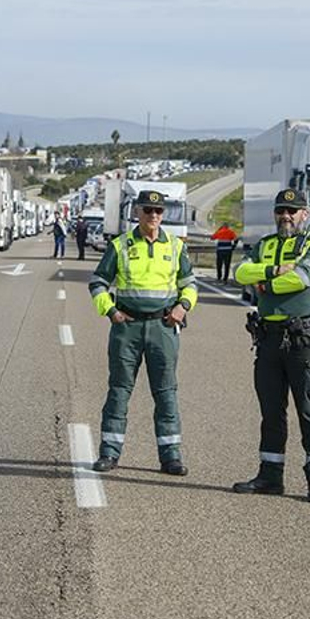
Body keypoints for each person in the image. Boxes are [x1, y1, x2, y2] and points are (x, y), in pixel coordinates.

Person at [231, 189, 310, 504]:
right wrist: (273, 271)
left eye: (293, 210)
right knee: (271, 410)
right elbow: (240, 273)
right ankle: (270, 475)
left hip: (304, 338)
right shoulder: (265, 245)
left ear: (305, 213)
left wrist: (265, 285)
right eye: (281, 210)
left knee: (308, 407)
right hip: (268, 338)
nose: (286, 216)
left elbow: (304, 278)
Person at [88, 189, 198, 476]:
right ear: (137, 212)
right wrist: (110, 311)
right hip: (127, 328)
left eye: (158, 211)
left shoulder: (175, 246)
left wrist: (183, 306)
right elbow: (98, 283)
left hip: (163, 327)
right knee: (119, 391)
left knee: (166, 393)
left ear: (164, 214)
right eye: (147, 210)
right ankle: (109, 454)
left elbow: (190, 285)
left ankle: (171, 457)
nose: (153, 216)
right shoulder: (120, 245)